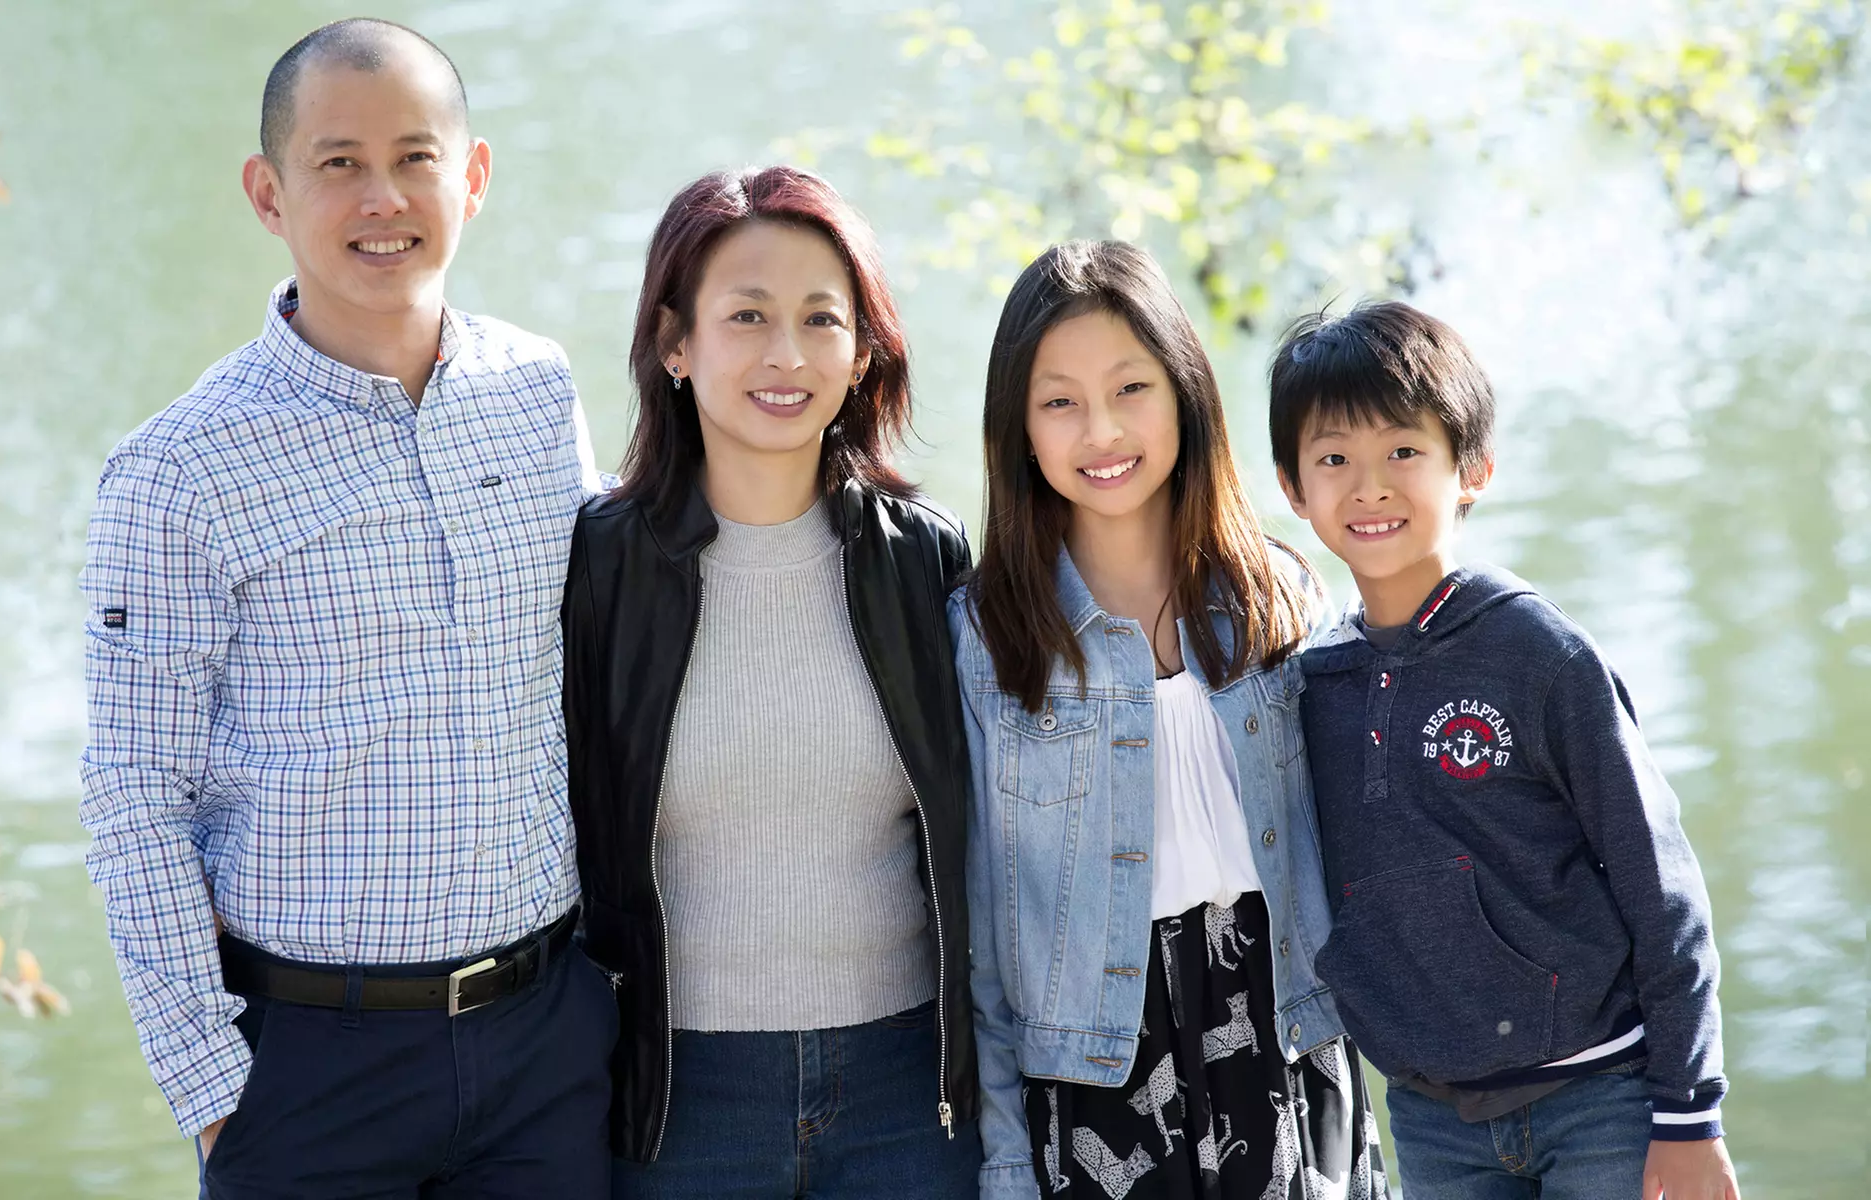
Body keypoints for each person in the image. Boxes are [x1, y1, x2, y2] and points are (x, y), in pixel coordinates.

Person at [79, 19, 614, 1196]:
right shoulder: (181, 470)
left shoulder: (537, 393)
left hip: (547, 1047)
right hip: (310, 1072)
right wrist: (217, 1098)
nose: (384, 197)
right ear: (268, 194)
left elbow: (617, 641)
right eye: (338, 163)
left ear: (472, 177)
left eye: (417, 157)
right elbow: (133, 794)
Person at [561, 164, 983, 1198]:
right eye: (746, 315)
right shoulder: (597, 567)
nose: (786, 355)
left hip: (908, 1095)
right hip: (678, 1099)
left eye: (820, 319)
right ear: (674, 343)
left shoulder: (922, 560)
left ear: (862, 351)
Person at [1269, 300, 1738, 1200]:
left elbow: (1658, 882)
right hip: (1431, 1117)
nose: (1369, 486)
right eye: (1334, 459)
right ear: (1294, 488)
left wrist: (1688, 1112)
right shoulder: (1308, 684)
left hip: (1600, 1097)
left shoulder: (1536, 654)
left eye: (1404, 452)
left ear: (1472, 469)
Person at [952, 240, 1388, 1200]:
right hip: (1096, 1062)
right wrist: (1002, 1161)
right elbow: (982, 932)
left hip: (1282, 1027)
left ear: (1185, 392)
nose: (1100, 430)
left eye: (1130, 388)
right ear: (1018, 427)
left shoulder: (1278, 594)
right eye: (1058, 400)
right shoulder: (988, 637)